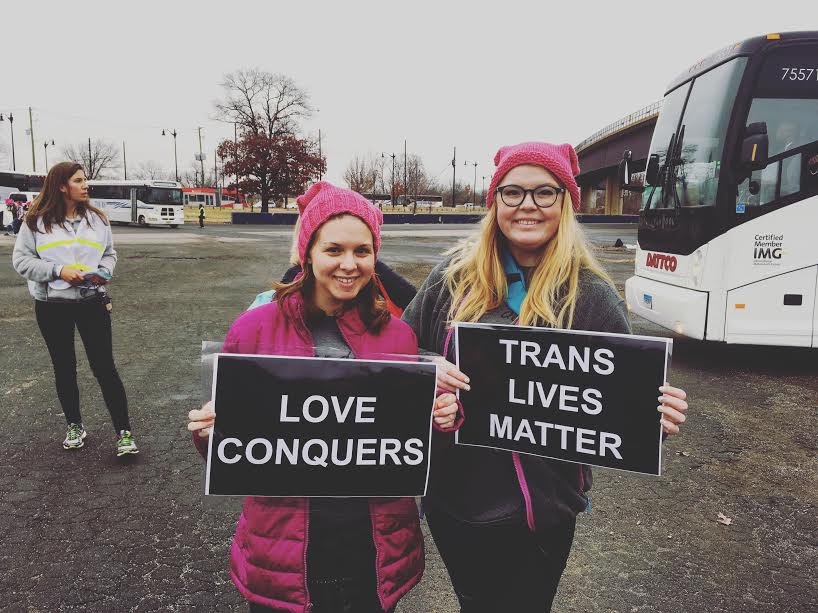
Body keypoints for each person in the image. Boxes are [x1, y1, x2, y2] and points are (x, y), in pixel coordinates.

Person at [402, 142, 689, 612]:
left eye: (544, 192)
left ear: (565, 202)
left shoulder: (590, 294)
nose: (528, 205)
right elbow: (400, 353)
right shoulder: (452, 278)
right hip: (456, 503)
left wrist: (654, 416)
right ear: (495, 201)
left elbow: (624, 401)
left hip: (543, 511)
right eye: (513, 192)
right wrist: (427, 368)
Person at [187, 180, 460, 613]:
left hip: (372, 547)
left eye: (362, 251)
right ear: (307, 253)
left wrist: (440, 423)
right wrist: (209, 432)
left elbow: (414, 449)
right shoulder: (253, 329)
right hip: (283, 546)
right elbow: (234, 452)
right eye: (334, 250)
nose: (349, 264)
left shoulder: (398, 336)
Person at [11, 161, 138, 456]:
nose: (85, 185)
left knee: (105, 368)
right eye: (78, 180)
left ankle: (124, 432)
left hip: (92, 302)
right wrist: (58, 271)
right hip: (51, 306)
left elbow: (109, 254)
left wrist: (104, 272)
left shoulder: (98, 219)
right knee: (64, 367)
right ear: (61, 186)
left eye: (85, 180)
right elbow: (21, 261)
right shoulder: (36, 221)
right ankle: (74, 425)